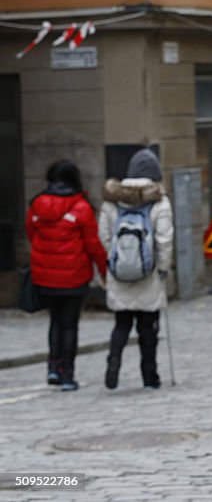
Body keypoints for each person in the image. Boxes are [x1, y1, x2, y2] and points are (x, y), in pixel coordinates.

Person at [26, 160, 107, 391]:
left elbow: (32, 236)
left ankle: (53, 366)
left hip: (45, 275)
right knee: (70, 325)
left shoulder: (37, 205)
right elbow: (94, 245)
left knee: (55, 322)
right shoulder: (81, 207)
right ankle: (68, 374)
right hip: (74, 275)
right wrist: (104, 271)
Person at [99, 149, 174, 390]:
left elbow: (104, 235)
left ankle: (114, 359)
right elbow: (164, 239)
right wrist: (161, 268)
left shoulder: (112, 200)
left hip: (119, 272)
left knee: (121, 323)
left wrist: (116, 259)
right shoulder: (159, 201)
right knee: (148, 326)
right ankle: (150, 376)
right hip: (149, 273)